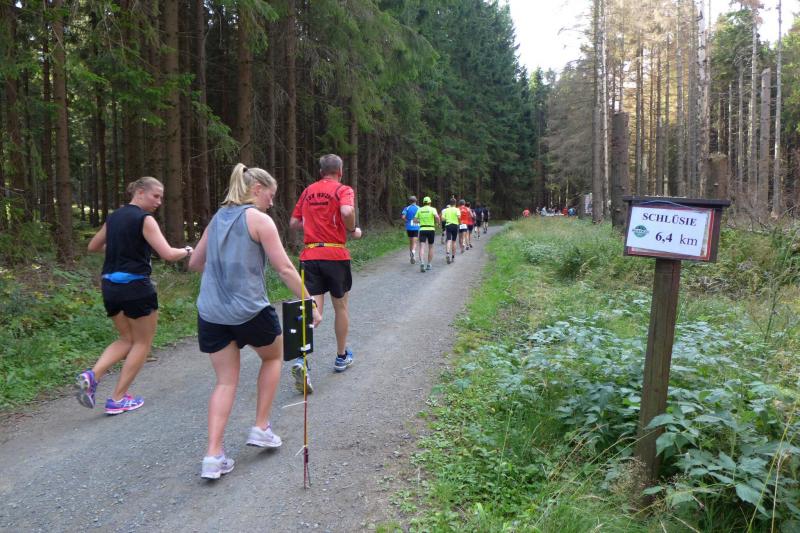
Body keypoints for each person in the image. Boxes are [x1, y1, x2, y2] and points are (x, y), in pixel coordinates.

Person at [189, 163, 322, 480]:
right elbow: (285, 269)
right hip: (249, 309)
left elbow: (195, 262)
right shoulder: (259, 220)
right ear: (257, 189)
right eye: (270, 195)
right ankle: (261, 427)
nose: (272, 203)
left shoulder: (217, 219)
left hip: (211, 312)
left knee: (225, 381)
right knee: (273, 356)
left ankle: (213, 455)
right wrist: (310, 303)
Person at [75, 177, 192, 415]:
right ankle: (117, 399)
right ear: (139, 192)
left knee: (127, 339)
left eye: (161, 197)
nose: (159, 201)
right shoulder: (144, 219)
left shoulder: (114, 217)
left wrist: (120, 248)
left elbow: (93, 247)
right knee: (142, 343)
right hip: (136, 287)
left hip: (110, 287)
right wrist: (187, 250)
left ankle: (92, 375)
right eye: (155, 196)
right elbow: (168, 254)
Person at [290, 154, 362, 390]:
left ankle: (301, 359)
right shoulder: (343, 189)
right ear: (340, 171)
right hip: (335, 255)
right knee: (341, 307)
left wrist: (312, 225)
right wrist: (352, 229)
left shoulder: (308, 191)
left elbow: (294, 223)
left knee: (312, 310)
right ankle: (341, 357)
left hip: (310, 255)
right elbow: (346, 212)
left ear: (321, 172)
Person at [412, 196, 440, 272]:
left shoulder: (419, 209)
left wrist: (421, 221)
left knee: (422, 247)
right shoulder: (433, 209)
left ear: (423, 202)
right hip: (431, 229)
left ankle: (422, 263)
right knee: (431, 247)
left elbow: (414, 220)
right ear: (430, 202)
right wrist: (438, 223)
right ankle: (429, 264)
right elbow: (437, 217)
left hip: (422, 229)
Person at [400, 196, 420, 264]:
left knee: (411, 242)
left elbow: (403, 217)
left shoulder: (407, 208)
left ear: (409, 201)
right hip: (416, 226)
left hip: (409, 227)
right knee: (415, 242)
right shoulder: (418, 208)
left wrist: (407, 220)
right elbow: (420, 217)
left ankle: (411, 256)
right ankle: (413, 252)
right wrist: (419, 221)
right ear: (416, 201)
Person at [441, 198, 460, 264]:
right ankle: (453, 257)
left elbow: (443, 219)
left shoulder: (446, 210)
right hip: (455, 225)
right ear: (455, 203)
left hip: (448, 225)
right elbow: (459, 217)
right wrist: (459, 222)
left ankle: (447, 253)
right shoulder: (457, 209)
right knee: (454, 241)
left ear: (450, 203)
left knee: (448, 240)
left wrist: (447, 219)